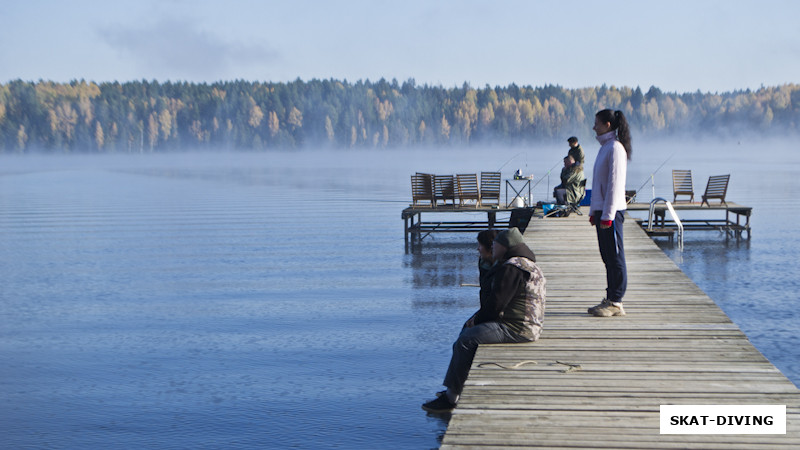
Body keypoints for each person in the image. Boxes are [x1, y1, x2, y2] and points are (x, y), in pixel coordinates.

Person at [422, 228, 546, 413]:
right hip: (526, 324)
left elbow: (496, 304)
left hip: (518, 328)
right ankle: (454, 388)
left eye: (495, 245)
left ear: (504, 246)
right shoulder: (524, 264)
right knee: (468, 330)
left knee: (466, 340)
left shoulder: (511, 268)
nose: (491, 247)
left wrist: (478, 319)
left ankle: (451, 398)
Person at [587, 109, 632, 317]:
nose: (593, 126)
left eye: (596, 123)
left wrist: (608, 215)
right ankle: (610, 297)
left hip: (611, 214)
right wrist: (594, 211)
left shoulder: (615, 148)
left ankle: (616, 301)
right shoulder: (605, 147)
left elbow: (615, 185)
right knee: (607, 256)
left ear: (607, 124)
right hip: (603, 212)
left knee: (615, 257)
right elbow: (599, 185)